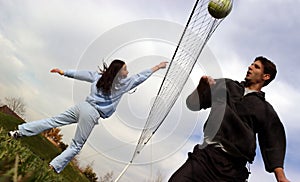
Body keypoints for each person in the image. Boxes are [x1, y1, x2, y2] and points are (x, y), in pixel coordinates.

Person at [8, 59, 168, 174]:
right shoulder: (124, 84)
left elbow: (82, 74)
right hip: (92, 113)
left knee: (52, 121)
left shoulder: (100, 77)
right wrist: (157, 67)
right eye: (125, 69)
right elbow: (141, 77)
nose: (128, 72)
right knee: (76, 146)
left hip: (82, 106)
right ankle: (53, 167)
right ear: (119, 72)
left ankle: (17, 133)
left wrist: (64, 72)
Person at [169, 56, 289, 182]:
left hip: (233, 170)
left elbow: (273, 141)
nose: (250, 67)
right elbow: (192, 104)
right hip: (205, 157)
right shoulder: (226, 85)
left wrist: (280, 177)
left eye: (256, 66)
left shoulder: (265, 109)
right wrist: (201, 87)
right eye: (251, 64)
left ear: (266, 76)